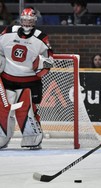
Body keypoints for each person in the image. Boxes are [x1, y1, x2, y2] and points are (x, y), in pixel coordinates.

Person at [0, 7, 54, 150]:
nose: (27, 24)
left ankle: (32, 137)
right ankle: (1, 136)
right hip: (6, 80)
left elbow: (49, 59)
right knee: (3, 109)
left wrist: (42, 64)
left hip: (29, 82)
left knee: (26, 110)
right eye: (25, 20)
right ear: (20, 20)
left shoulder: (41, 37)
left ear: (35, 21)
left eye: (30, 21)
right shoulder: (8, 31)